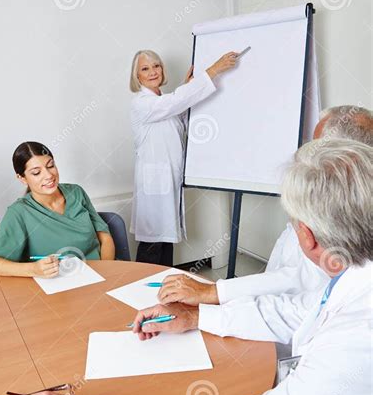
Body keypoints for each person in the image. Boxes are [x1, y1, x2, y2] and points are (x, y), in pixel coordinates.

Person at [15, 139, 372, 395]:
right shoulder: (357, 281)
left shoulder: (357, 343)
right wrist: (199, 317)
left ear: (305, 236)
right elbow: (297, 310)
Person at [156, 105, 373, 344]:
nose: (307, 155)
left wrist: (211, 297)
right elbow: (295, 297)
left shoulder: (345, 240)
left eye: (316, 148)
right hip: (270, 319)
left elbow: (299, 290)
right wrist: (202, 312)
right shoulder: (333, 208)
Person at [130, 49, 239, 267]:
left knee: (166, 242)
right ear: (137, 77)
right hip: (154, 188)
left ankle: (163, 289)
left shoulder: (162, 101)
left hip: (167, 184)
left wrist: (187, 87)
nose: (152, 72)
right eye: (145, 68)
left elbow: (176, 107)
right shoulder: (141, 103)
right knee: (152, 245)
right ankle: (141, 292)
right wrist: (214, 69)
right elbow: (174, 103)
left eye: (156, 66)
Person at [0, 141, 115, 279]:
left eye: (50, 166)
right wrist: (33, 269)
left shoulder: (76, 192)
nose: (49, 175)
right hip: (59, 289)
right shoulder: (20, 212)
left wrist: (104, 274)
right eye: (36, 173)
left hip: (98, 276)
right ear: (22, 178)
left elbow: (105, 237)